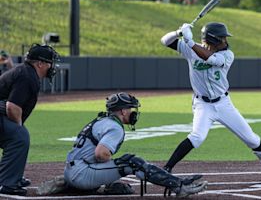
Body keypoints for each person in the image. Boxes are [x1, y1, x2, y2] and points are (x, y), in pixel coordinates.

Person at [160, 22, 261, 180]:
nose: (225, 41)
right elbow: (165, 41)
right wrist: (178, 32)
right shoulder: (191, 50)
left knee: (251, 138)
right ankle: (167, 168)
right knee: (197, 137)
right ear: (213, 40)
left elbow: (211, 59)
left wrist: (190, 41)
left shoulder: (227, 55)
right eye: (222, 38)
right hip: (203, 105)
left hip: (223, 104)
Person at [37, 92, 207, 197]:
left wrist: (111, 170)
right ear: (123, 111)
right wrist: (117, 168)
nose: (134, 113)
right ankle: (179, 186)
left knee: (125, 164)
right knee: (131, 161)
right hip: (82, 173)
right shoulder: (114, 127)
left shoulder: (103, 120)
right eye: (131, 109)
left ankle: (70, 184)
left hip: (73, 170)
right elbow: (100, 154)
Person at [0, 44, 59, 196]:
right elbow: (12, 107)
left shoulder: (26, 72)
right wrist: (18, 127)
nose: (51, 66)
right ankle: (8, 183)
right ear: (40, 64)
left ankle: (12, 177)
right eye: (49, 62)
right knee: (19, 136)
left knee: (18, 136)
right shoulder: (27, 76)